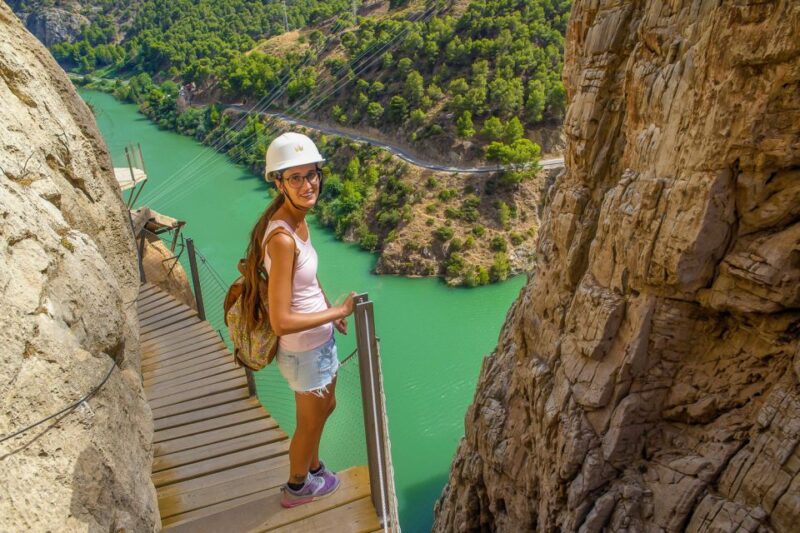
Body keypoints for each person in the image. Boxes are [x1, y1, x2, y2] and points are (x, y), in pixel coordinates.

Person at [240, 132, 356, 508]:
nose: (308, 184)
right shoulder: (282, 238)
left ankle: (314, 465)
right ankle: (296, 487)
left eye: (312, 174)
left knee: (328, 406)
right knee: (309, 422)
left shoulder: (298, 221)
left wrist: (327, 310)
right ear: (278, 182)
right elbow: (281, 321)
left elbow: (308, 278)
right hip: (303, 351)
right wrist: (338, 311)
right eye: (296, 178)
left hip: (318, 342)